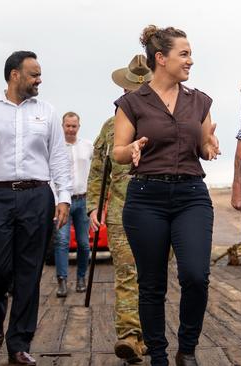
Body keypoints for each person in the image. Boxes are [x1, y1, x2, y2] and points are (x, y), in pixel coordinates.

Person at [113, 25, 220, 366]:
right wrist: (129, 149)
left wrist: (209, 145)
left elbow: (203, 145)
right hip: (146, 197)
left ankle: (186, 349)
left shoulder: (199, 101)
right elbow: (116, 151)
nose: (191, 60)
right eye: (184, 54)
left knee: (195, 276)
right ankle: (158, 354)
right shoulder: (132, 102)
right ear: (161, 58)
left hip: (191, 195)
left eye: (190, 53)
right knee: (152, 283)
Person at [0, 50, 71, 366]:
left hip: (37, 197)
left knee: (28, 273)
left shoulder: (47, 112)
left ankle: (18, 343)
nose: (39, 79)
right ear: (14, 75)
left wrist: (63, 197)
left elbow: (58, 159)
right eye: (34, 74)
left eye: (39, 74)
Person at [87, 54, 152, 363]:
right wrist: (92, 207)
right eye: (132, 88)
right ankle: (128, 336)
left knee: (151, 278)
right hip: (121, 213)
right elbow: (98, 169)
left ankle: (146, 335)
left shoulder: (162, 120)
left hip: (156, 211)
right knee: (127, 274)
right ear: (125, 90)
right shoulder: (110, 126)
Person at [54, 111, 93, 297]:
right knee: (62, 241)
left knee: (84, 244)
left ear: (79, 126)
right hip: (63, 202)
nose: (70, 129)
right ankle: (61, 280)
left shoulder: (88, 146)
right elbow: (49, 177)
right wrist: (56, 201)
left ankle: (81, 278)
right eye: (67, 126)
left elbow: (96, 172)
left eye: (74, 126)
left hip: (83, 200)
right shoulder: (55, 148)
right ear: (62, 126)